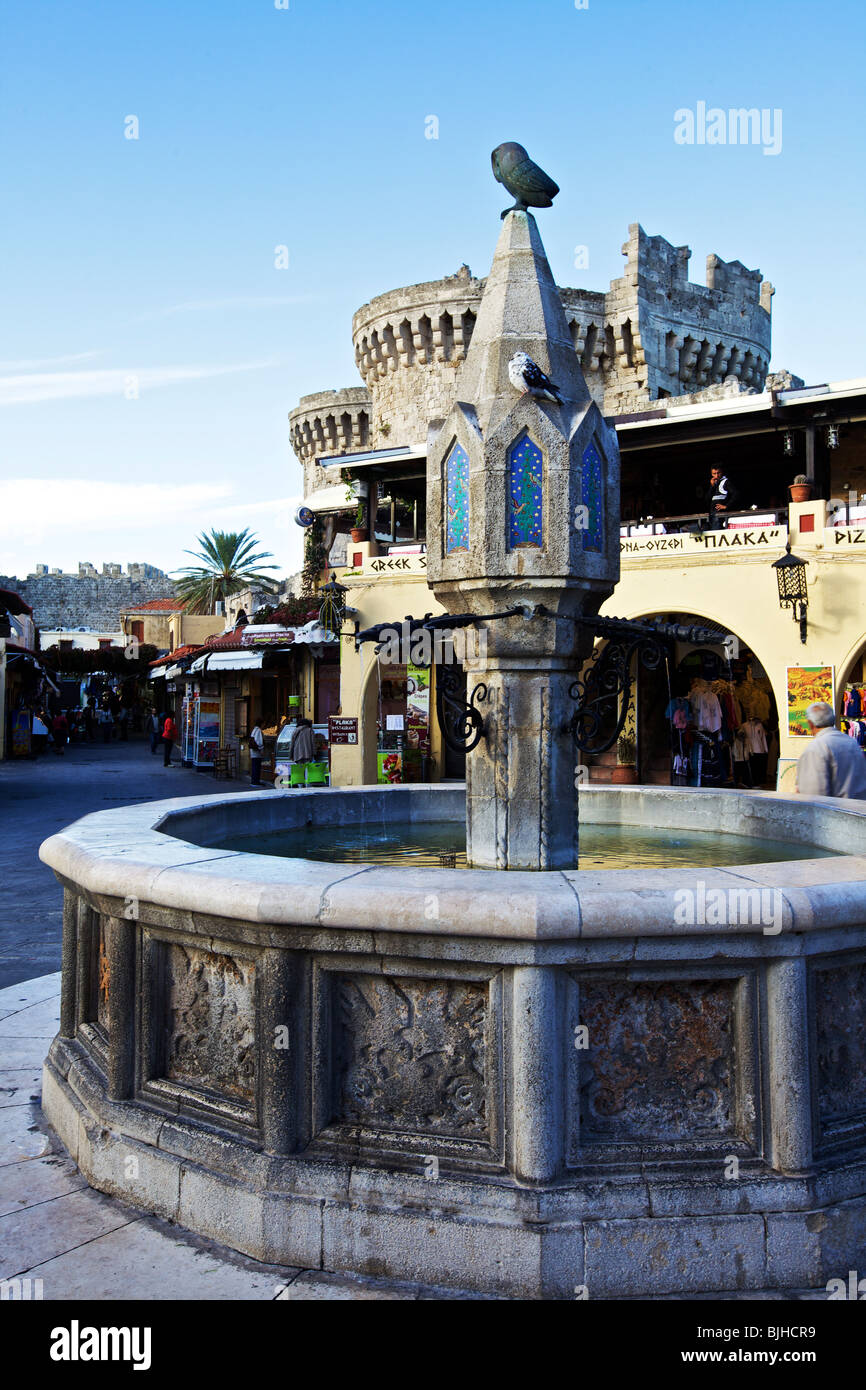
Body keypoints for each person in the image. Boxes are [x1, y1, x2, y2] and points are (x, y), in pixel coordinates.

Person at [796, 702, 866, 799]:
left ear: (810, 724)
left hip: (836, 812)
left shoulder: (816, 748)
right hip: (857, 810)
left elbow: (814, 796)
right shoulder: (852, 743)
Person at [249, 721, 264, 786]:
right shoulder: (258, 731)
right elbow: (259, 742)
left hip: (252, 751)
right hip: (256, 752)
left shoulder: (254, 730)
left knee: (254, 766)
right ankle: (256, 782)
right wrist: (261, 749)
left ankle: (253, 781)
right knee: (256, 767)